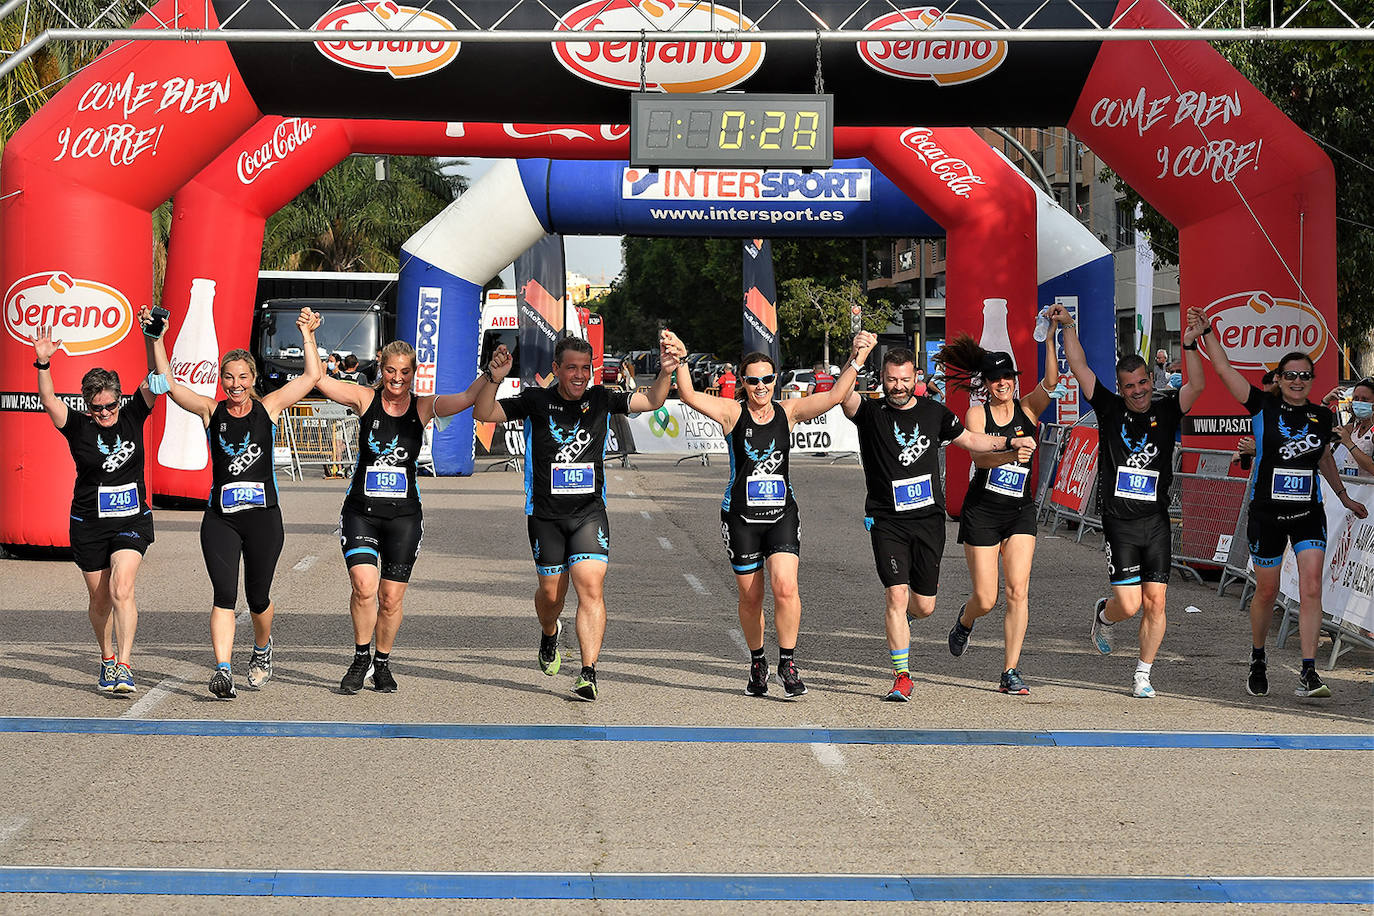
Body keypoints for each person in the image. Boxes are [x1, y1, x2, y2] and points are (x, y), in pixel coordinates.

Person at [474, 333, 680, 700]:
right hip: (545, 517)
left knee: (591, 587)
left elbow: (652, 399)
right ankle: (549, 631)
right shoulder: (536, 400)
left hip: (588, 514)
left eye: (585, 368)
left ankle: (588, 672)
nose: (579, 375)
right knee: (552, 595)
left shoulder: (601, 398)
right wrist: (495, 377)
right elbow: (483, 412)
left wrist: (666, 372)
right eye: (571, 368)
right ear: (556, 369)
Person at [673, 332, 877, 697]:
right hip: (741, 518)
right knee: (751, 597)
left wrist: (858, 358)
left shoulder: (789, 411)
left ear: (775, 380)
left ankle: (788, 661)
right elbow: (688, 395)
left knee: (786, 587)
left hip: (782, 513)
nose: (761, 386)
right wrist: (682, 359)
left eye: (768, 379)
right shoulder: (732, 413)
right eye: (753, 380)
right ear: (743, 382)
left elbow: (832, 397)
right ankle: (757, 661)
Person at [840, 348, 1036, 702]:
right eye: (891, 380)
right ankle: (902, 676)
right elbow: (839, 395)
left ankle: (906, 620)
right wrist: (857, 358)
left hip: (928, 520)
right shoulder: (870, 413)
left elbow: (972, 441)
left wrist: (1010, 443)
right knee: (896, 595)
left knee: (925, 605)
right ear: (881, 380)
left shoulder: (934, 413)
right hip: (887, 520)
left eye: (904, 379)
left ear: (916, 377)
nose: (898, 387)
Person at [150, 306, 323, 699]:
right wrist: (157, 338)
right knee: (224, 594)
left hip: (263, 519)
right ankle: (223, 669)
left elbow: (313, 376)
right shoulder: (211, 411)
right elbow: (167, 385)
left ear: (253, 379)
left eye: (242, 377)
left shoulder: (270, 408)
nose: (235, 384)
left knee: (258, 597)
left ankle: (262, 650)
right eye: (228, 377)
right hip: (221, 519)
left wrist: (305, 333)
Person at [315, 337, 499, 694]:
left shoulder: (423, 407)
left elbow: (464, 399)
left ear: (414, 374)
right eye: (390, 371)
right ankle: (360, 658)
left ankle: (382, 662)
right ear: (381, 371)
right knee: (364, 586)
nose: (396, 378)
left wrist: (490, 375)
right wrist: (309, 339)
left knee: (390, 598)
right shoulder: (365, 399)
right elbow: (320, 381)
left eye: (404, 372)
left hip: (404, 518)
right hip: (361, 513)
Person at [1198, 314, 1368, 698]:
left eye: (1304, 376)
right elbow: (1223, 369)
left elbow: (1323, 457)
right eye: (1289, 375)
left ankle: (1308, 673)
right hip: (1267, 515)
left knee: (1311, 588)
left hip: (1309, 513)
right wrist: (1209, 332)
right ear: (1278, 378)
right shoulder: (1261, 407)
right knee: (1267, 592)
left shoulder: (1322, 416)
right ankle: (1258, 657)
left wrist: (1343, 497)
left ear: (1311, 379)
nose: (1296, 381)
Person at [1050, 303, 1206, 699]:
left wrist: (1191, 344)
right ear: (1121, 388)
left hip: (1155, 521)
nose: (1139, 391)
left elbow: (1198, 387)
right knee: (1129, 604)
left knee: (1156, 601)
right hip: (1119, 522)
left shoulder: (1168, 408)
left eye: (1143, 383)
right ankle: (1104, 615)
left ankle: (1143, 673)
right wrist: (1068, 325)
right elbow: (1082, 367)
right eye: (1131, 386)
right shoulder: (1108, 407)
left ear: (1150, 382)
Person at [36, 322, 161, 693]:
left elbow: (156, 375)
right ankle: (106, 657)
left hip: (131, 519)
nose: (105, 412)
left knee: (123, 587)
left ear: (119, 400)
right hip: (89, 522)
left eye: (110, 405)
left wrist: (152, 336)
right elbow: (48, 400)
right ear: (88, 406)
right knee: (100, 598)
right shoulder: (77, 426)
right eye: (97, 408)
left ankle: (124, 665)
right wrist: (43, 363)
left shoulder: (134, 413)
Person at [935, 334, 1060, 695]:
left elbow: (1051, 381)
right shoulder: (977, 414)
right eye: (994, 378)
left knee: (1018, 590)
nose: (1002, 383)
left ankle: (1010, 670)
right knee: (986, 598)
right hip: (983, 512)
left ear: (1014, 380)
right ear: (985, 384)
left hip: (1019, 511)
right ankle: (965, 620)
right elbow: (979, 458)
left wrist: (1051, 337)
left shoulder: (1029, 409)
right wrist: (1012, 451)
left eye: (1007, 377)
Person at [1332, 378, 1374, 478]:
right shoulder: (1354, 427)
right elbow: (1317, 431)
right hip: (1352, 490)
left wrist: (1349, 443)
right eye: (1356, 398)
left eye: (1365, 399)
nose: (1359, 402)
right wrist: (1325, 401)